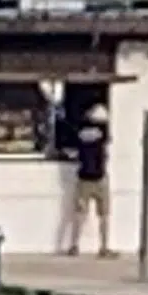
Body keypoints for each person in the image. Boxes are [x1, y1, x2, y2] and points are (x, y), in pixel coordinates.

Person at [66, 103, 114, 257]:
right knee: (104, 215)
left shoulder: (80, 134)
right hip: (100, 178)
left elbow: (73, 152)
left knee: (80, 214)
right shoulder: (103, 134)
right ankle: (104, 247)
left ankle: (74, 246)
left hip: (83, 178)